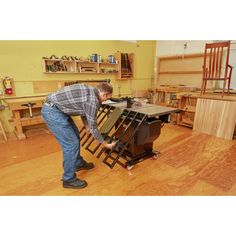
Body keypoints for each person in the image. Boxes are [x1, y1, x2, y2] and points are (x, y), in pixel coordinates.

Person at [41, 82, 116, 189]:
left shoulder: (91, 90)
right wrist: (104, 143)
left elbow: (82, 109)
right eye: (107, 98)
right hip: (53, 112)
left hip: (58, 109)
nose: (105, 101)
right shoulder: (93, 101)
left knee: (75, 136)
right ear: (104, 95)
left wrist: (86, 125)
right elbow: (93, 126)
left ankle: (78, 163)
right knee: (71, 144)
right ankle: (68, 179)